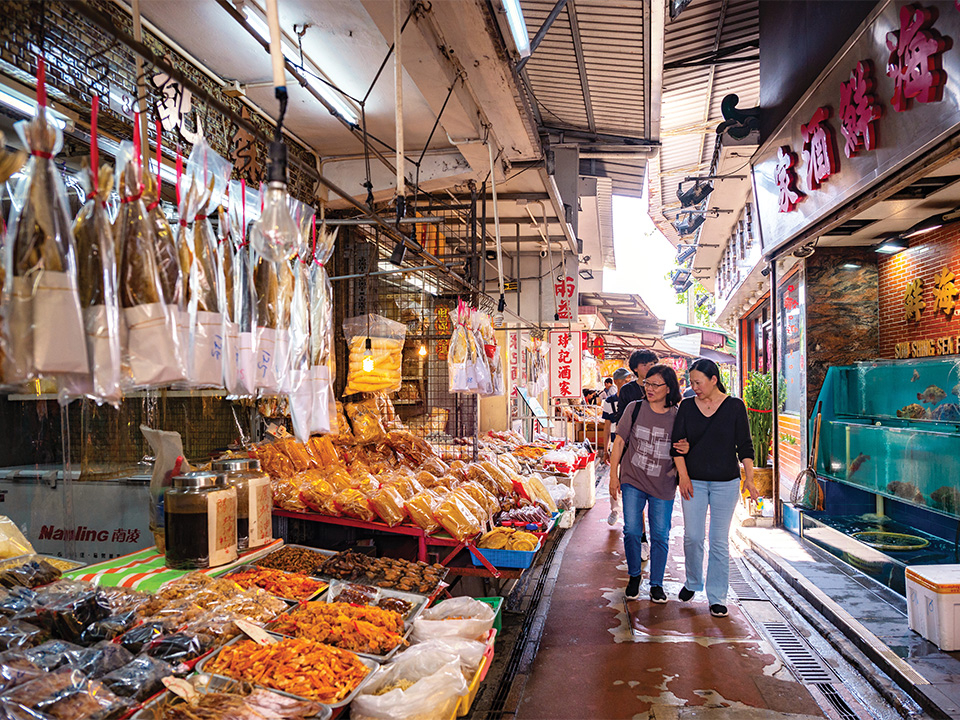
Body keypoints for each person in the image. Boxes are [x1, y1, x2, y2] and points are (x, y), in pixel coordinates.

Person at [671, 358, 759, 618]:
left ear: (713, 379)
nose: (694, 387)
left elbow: (745, 446)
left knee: (719, 541)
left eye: (698, 382)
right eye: (691, 382)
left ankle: (718, 596)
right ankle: (693, 581)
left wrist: (750, 479)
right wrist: (683, 477)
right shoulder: (686, 407)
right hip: (693, 482)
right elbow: (676, 444)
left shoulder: (734, 406)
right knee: (693, 537)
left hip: (726, 483)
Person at [608, 365, 684, 603]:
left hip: (664, 483)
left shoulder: (678, 415)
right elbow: (619, 443)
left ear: (669, 388)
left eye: (655, 385)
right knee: (631, 530)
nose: (649, 389)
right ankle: (634, 576)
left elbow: (683, 448)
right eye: (647, 384)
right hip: (633, 479)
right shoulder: (634, 408)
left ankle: (657, 583)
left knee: (660, 534)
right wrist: (613, 475)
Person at [611, 349, 658, 557]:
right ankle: (641, 538)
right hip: (633, 451)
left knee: (656, 501)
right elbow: (623, 420)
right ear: (636, 368)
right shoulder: (628, 390)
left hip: (658, 452)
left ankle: (653, 539)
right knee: (635, 499)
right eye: (645, 364)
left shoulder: (663, 386)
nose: (649, 367)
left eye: (652, 363)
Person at [601, 368, 634, 524]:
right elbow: (607, 427)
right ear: (616, 381)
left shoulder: (635, 400)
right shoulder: (609, 401)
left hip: (633, 445)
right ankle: (615, 510)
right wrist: (605, 448)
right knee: (614, 477)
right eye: (624, 379)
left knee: (631, 479)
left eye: (628, 379)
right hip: (616, 445)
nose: (627, 381)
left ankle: (631, 511)